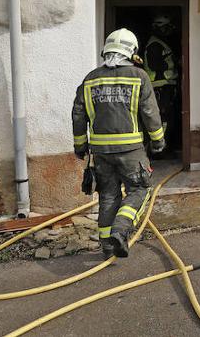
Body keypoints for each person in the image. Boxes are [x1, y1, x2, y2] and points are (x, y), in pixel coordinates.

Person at [72, 28, 166, 257]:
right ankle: (120, 232)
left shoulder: (90, 78)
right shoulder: (139, 76)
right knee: (140, 189)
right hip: (131, 150)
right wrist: (158, 141)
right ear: (131, 51)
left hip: (101, 152)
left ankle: (106, 245)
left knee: (108, 195)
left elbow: (78, 115)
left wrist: (80, 146)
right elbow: (150, 113)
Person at [144, 13, 181, 158]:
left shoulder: (161, 42)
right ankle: (159, 151)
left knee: (168, 119)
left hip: (166, 87)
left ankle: (164, 148)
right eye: (166, 27)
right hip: (160, 88)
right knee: (162, 119)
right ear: (159, 28)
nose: (169, 30)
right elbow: (155, 64)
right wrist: (175, 63)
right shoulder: (154, 44)